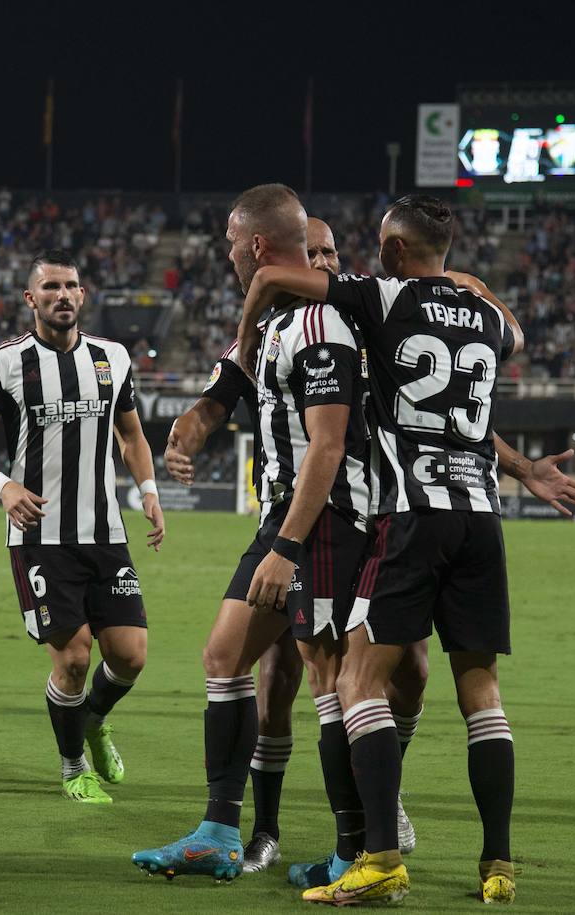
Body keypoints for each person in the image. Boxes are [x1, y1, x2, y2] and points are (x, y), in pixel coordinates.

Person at [237, 194, 575, 904]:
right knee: (481, 691)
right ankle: (498, 865)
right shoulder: (486, 315)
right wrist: (469, 283)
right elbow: (515, 334)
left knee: (357, 681)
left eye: (380, 245)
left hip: (413, 515)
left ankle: (379, 857)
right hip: (481, 517)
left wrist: (246, 342)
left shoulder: (386, 296)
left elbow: (274, 276)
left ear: (396, 250)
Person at [163, 216, 426, 873]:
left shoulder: (336, 319)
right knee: (237, 661)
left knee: (367, 675)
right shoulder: (267, 328)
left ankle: (364, 827)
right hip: (285, 514)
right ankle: (235, 831)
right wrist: (190, 428)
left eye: (331, 252)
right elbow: (222, 391)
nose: (323, 263)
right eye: (311, 252)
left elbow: (329, 445)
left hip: (342, 514)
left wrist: (287, 545)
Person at [0, 249, 164, 806]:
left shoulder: (112, 358)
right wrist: (3, 486)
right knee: (73, 659)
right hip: (40, 537)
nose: (63, 295)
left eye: (71, 285)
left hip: (105, 532)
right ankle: (74, 766)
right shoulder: (4, 364)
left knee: (130, 657)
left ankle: (92, 720)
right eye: (50, 287)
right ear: (31, 298)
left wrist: (149, 491)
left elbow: (132, 435)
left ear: (83, 294)